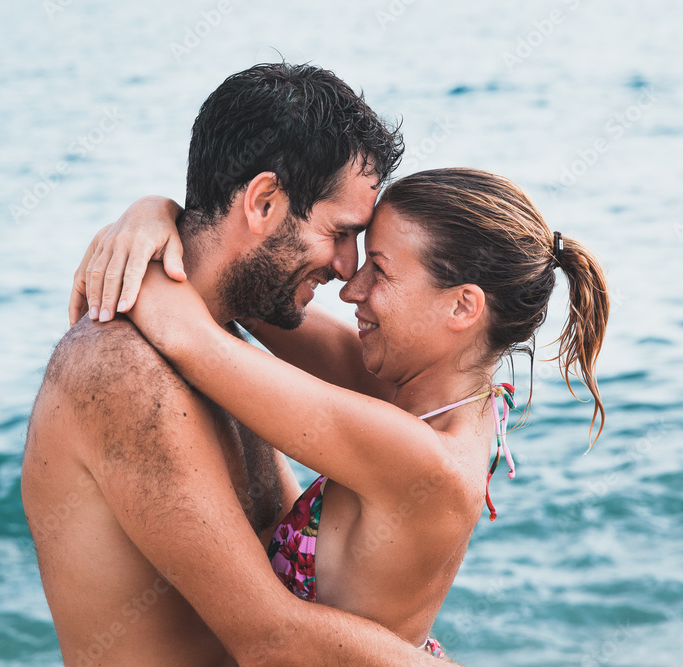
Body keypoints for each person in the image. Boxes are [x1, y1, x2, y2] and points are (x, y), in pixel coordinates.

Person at [22, 63, 459, 666]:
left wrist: (156, 209)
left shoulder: (216, 345)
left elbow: (288, 570)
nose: (345, 269)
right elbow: (269, 640)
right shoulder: (120, 372)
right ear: (263, 202)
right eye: (340, 232)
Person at [78, 167, 610, 658]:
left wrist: (130, 249)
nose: (352, 287)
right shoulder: (437, 402)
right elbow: (243, 290)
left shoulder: (423, 457)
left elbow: (186, 338)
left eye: (378, 270)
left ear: (462, 307)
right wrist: (154, 212)